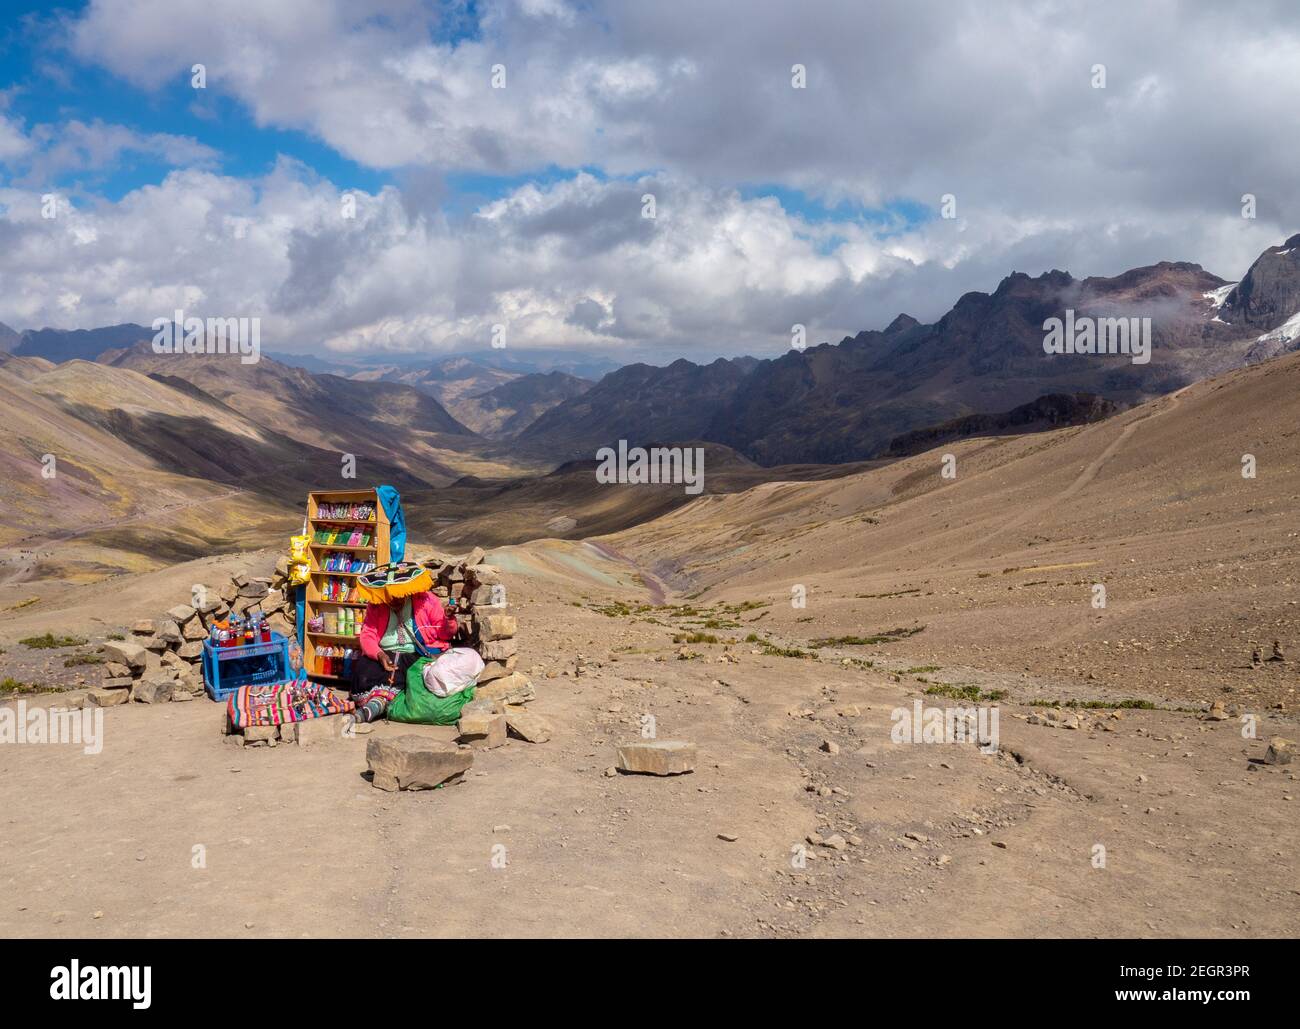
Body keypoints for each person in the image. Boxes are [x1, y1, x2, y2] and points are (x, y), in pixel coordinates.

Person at [350, 563, 457, 722]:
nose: (394, 600)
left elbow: (445, 634)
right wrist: (379, 654)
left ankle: (379, 706)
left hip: (415, 653)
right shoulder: (376, 605)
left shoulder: (426, 601)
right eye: (389, 597)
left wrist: (448, 619)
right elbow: (367, 635)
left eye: (398, 596)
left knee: (407, 672)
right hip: (385, 653)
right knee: (364, 669)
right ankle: (377, 703)